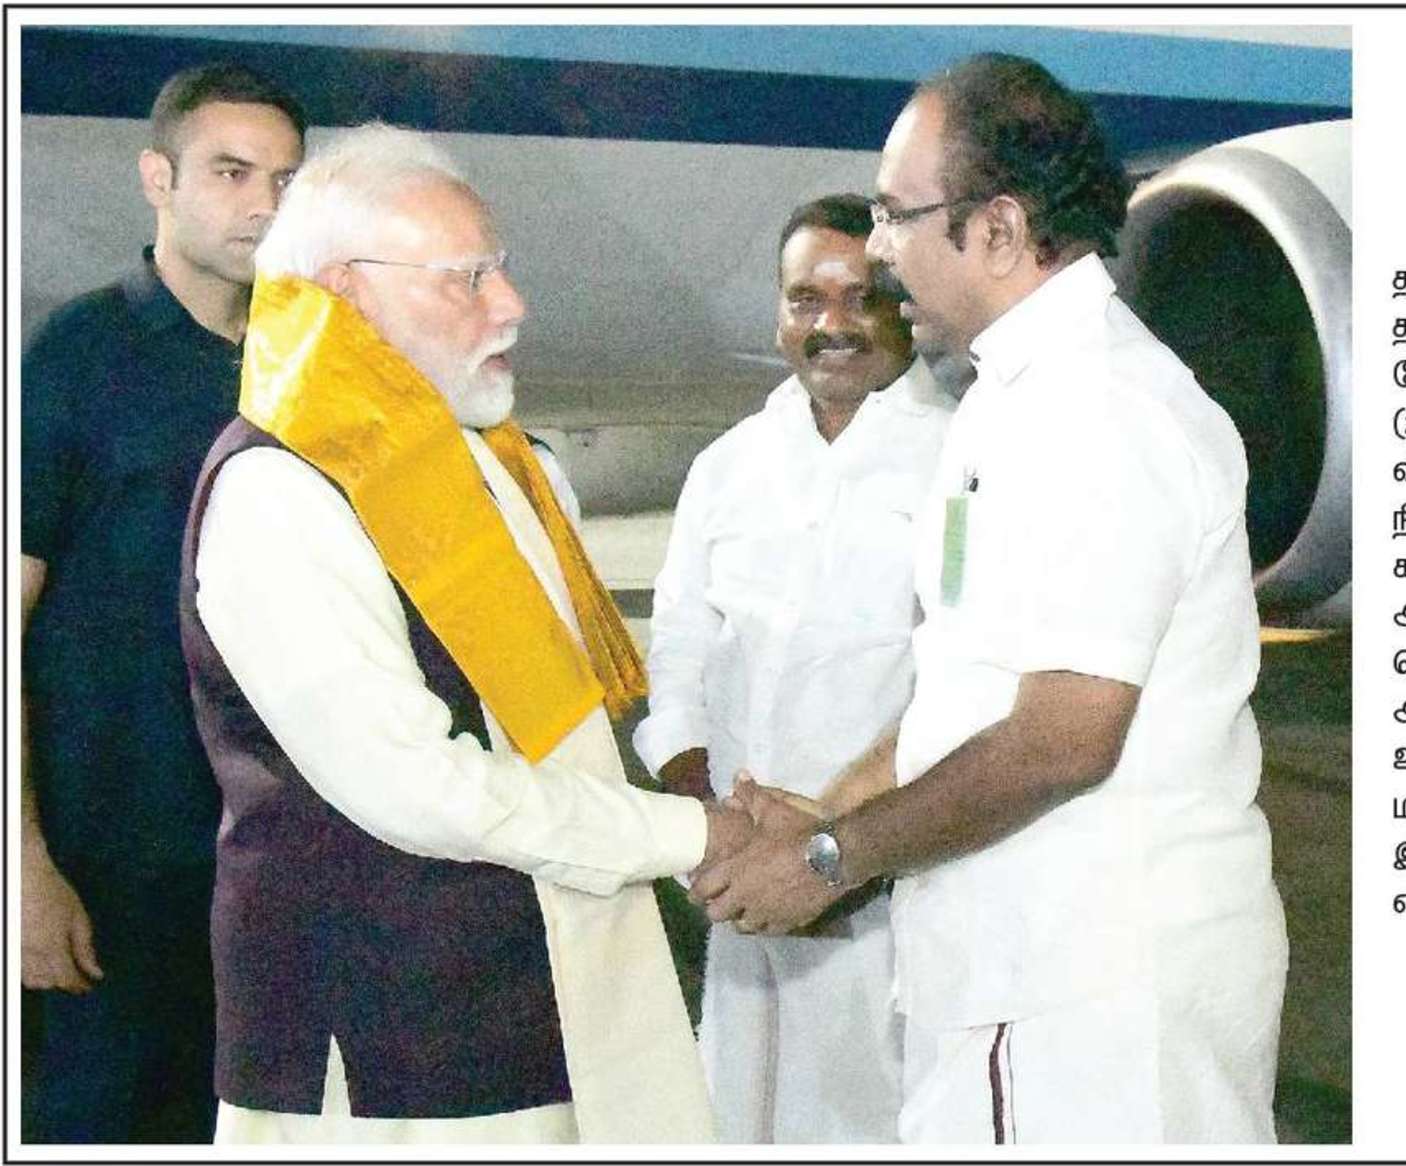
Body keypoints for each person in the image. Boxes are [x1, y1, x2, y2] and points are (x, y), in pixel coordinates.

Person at [692, 53, 1289, 1144]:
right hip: (1018, 975)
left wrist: (830, 861)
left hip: (1087, 996)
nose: (878, 248)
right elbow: (963, 689)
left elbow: (1063, 738)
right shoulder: (1010, 398)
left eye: (897, 213)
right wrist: (828, 808)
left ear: (1001, 229)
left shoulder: (1100, 413)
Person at [176, 122, 755, 1144]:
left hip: (542, 1002)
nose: (512, 304)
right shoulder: (279, 491)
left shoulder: (488, 460)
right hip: (389, 1050)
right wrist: (692, 833)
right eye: (468, 278)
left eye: (501, 269)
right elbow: (414, 785)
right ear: (349, 294)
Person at [19, 63, 306, 1144]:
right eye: (231, 172)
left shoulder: (310, 361)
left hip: (268, 868)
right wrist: (22, 865)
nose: (264, 205)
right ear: (158, 178)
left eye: (284, 179)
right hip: (107, 877)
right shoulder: (76, 357)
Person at [635, 194, 954, 1142]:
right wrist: (703, 810)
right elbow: (681, 645)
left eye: (862, 296)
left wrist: (841, 846)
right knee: (738, 1111)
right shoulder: (729, 466)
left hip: (887, 887)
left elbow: (966, 684)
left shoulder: (961, 461)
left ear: (904, 306)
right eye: (805, 299)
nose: (831, 324)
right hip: (739, 878)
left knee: (877, 1117)